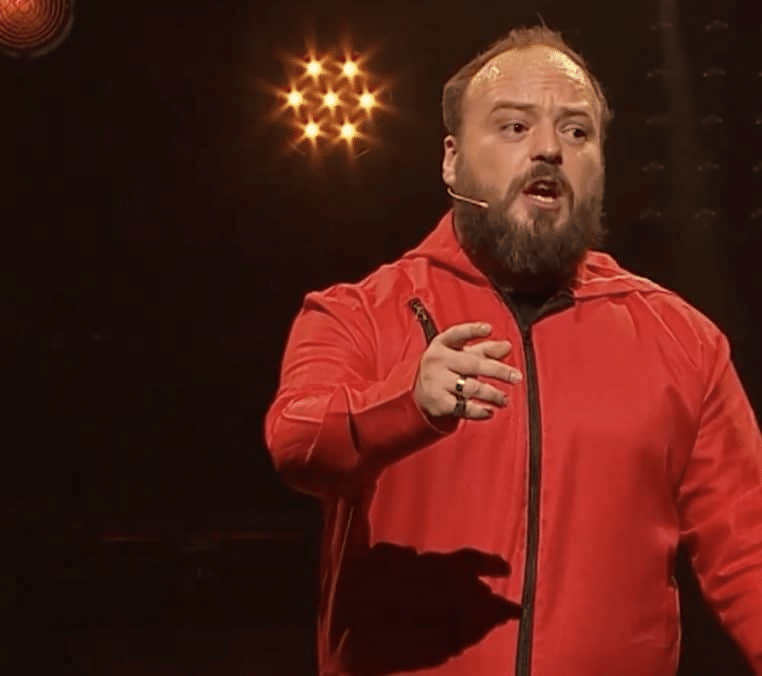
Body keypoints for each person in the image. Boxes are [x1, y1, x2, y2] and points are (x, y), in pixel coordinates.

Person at [264, 25, 762, 676]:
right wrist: (407, 403)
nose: (550, 148)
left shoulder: (685, 341)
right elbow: (296, 441)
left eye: (577, 131)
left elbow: (748, 552)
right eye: (514, 127)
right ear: (451, 161)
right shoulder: (356, 313)